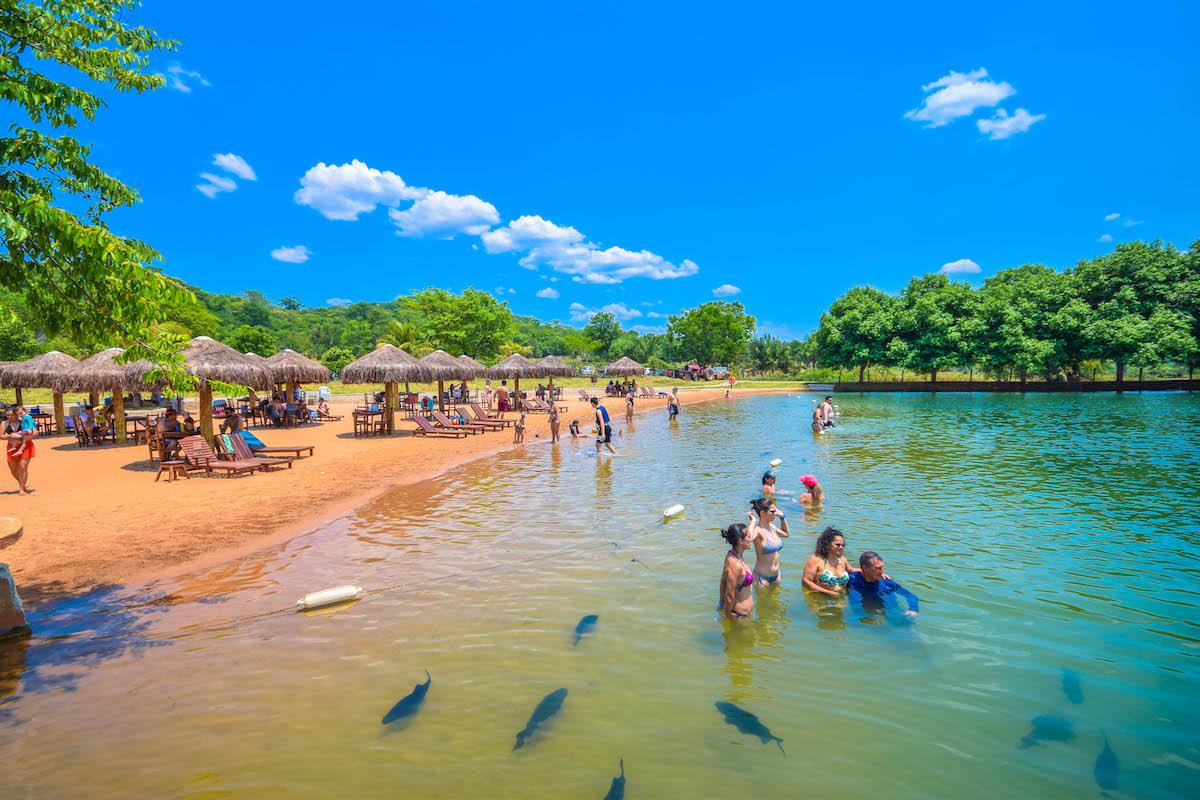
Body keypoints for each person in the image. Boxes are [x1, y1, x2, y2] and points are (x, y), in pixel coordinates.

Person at [849, 551, 919, 619]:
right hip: (865, 617)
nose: (882, 571)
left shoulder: (887, 582)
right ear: (865, 568)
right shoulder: (852, 579)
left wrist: (913, 609)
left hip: (893, 616)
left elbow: (910, 596)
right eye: (878, 568)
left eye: (882, 567)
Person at [747, 497, 789, 586]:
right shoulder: (757, 530)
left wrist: (782, 517)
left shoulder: (772, 527)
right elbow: (748, 539)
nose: (776, 513)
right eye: (773, 512)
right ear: (762, 513)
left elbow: (786, 534)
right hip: (761, 578)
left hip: (777, 576)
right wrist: (753, 521)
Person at [718, 523, 755, 619]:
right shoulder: (734, 564)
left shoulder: (734, 555)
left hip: (745, 615)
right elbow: (729, 595)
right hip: (739, 617)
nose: (751, 539)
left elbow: (722, 581)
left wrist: (753, 521)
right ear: (740, 541)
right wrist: (728, 618)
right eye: (749, 537)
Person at [802, 527, 852, 596]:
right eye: (837, 545)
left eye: (843, 545)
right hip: (820, 600)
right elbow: (806, 582)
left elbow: (851, 569)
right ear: (827, 544)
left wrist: (869, 568)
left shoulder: (842, 559)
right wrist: (829, 593)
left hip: (841, 600)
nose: (841, 547)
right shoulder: (815, 559)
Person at [4, 406, 36, 495]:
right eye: (7, 415)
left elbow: (35, 432)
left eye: (11, 415)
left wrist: (24, 438)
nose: (10, 417)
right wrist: (10, 436)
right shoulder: (5, 423)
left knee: (22, 467)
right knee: (13, 470)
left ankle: (21, 489)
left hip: (26, 446)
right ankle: (22, 483)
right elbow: (1, 435)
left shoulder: (24, 420)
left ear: (16, 414)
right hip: (11, 447)